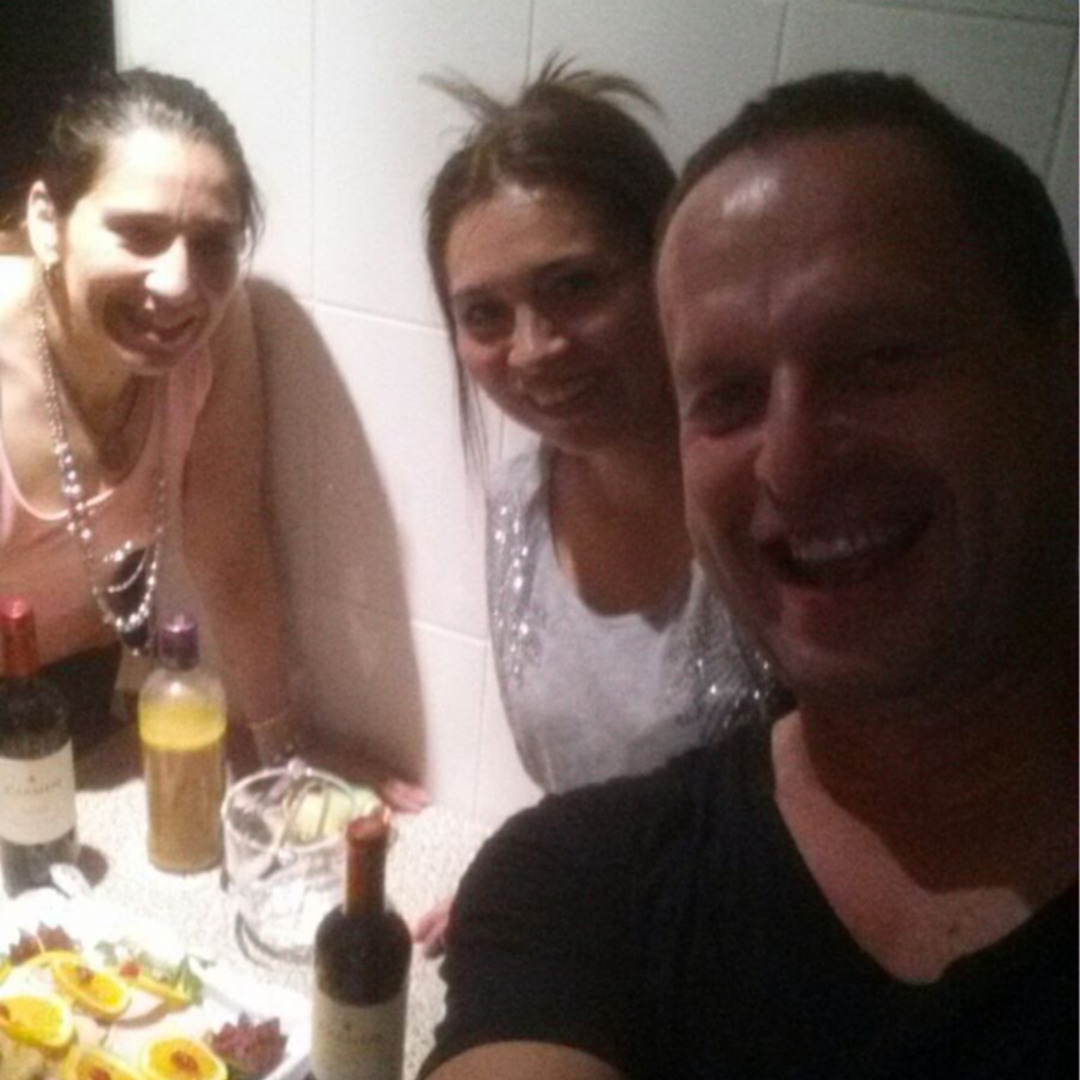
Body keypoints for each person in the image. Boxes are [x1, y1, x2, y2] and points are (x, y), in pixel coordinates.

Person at [421, 70, 1077, 1079]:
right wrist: (549, 900)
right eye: (726, 394)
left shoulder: (787, 575)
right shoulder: (570, 872)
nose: (793, 466)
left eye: (881, 356)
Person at [412, 59, 783, 954]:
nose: (533, 349)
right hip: (605, 936)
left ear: (668, 269)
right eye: (484, 314)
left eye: (575, 285)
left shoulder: (778, 508)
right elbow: (595, 793)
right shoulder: (518, 509)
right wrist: (544, 876)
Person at [0, 68, 425, 803]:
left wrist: (285, 755)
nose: (177, 284)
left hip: (76, 695)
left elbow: (230, 550)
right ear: (46, 221)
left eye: (212, 243)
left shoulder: (216, 329)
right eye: (138, 233)